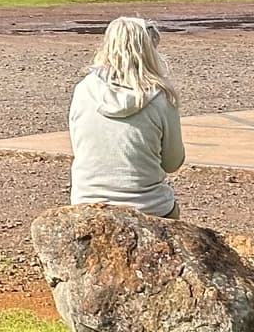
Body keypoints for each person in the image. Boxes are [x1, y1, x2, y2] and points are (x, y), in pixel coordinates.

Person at [68, 16, 186, 217]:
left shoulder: (84, 90)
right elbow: (172, 163)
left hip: (87, 202)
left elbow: (79, 145)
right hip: (148, 206)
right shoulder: (161, 97)